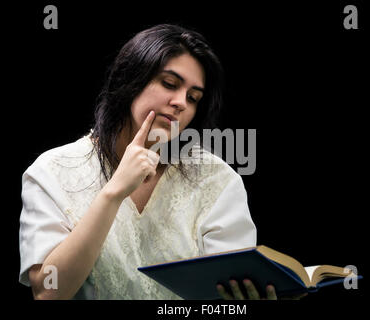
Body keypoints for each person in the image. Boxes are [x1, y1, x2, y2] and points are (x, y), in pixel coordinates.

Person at [18, 24, 276, 300]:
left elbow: (228, 290)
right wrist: (113, 192)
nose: (180, 103)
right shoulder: (53, 170)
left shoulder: (216, 179)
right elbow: (48, 292)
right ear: (130, 79)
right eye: (169, 83)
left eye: (193, 98)